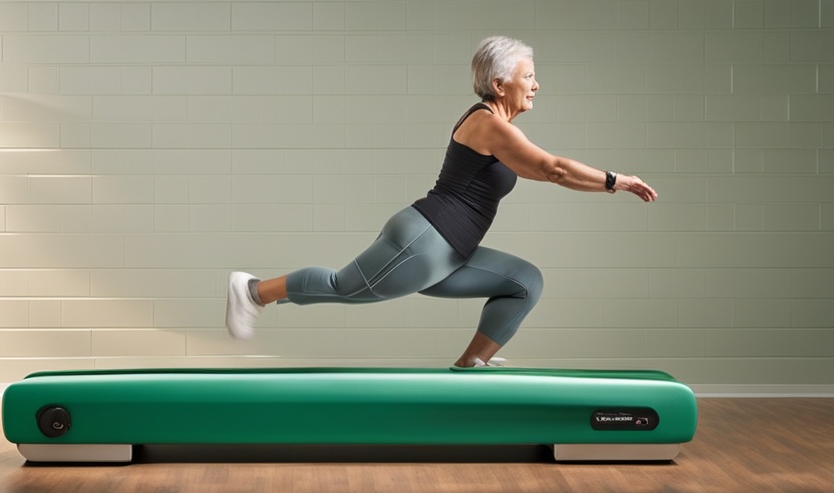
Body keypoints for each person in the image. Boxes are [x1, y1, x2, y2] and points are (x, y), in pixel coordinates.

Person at [225, 35, 658, 367]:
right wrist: (616, 181)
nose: (536, 85)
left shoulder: (502, 128)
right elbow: (553, 169)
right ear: (498, 83)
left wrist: (609, 184)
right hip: (424, 242)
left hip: (452, 252)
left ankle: (472, 363)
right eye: (529, 76)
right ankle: (253, 290)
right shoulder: (486, 122)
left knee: (525, 282)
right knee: (346, 288)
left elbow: (548, 172)